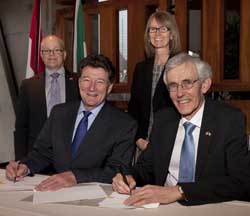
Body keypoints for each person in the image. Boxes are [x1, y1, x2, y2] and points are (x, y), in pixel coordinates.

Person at [112, 53, 250, 206]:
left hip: (210, 206)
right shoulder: (164, 119)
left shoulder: (229, 120)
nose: (179, 93)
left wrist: (179, 191)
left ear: (204, 85)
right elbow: (147, 166)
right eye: (173, 85)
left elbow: (241, 181)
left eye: (187, 83)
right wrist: (130, 177)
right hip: (163, 209)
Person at [6, 54, 137, 191]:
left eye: (99, 82)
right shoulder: (59, 113)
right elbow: (42, 152)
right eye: (86, 80)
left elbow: (117, 170)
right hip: (54, 192)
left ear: (109, 87)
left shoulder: (124, 124)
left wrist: (75, 176)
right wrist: (24, 166)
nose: (92, 88)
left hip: (95, 197)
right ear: (79, 82)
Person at [14, 35, 79, 161]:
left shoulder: (78, 82)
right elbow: (21, 126)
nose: (51, 54)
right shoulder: (28, 85)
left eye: (56, 50)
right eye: (47, 51)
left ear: (64, 54)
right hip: (36, 154)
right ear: (41, 55)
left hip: (70, 154)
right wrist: (20, 159)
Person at [128, 10, 181, 155]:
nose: (157, 33)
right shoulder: (141, 68)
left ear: (172, 34)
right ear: (148, 34)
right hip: (142, 144)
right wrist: (138, 138)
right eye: (152, 29)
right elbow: (134, 107)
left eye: (163, 28)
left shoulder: (181, 66)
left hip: (171, 144)